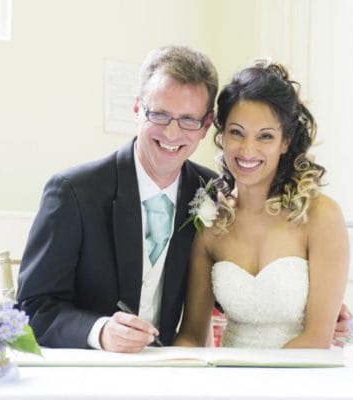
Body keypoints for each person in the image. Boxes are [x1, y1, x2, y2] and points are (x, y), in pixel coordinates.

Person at [16, 45, 218, 352]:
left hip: (171, 367)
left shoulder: (212, 192)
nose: (172, 133)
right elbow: (33, 309)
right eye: (160, 115)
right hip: (90, 369)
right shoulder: (73, 192)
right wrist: (99, 332)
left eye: (189, 119)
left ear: (206, 125)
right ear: (137, 109)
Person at [174, 60, 350, 348]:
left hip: (302, 371)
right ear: (221, 134)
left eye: (265, 136)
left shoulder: (321, 216)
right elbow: (192, 335)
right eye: (236, 132)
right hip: (230, 372)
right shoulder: (210, 221)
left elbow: (317, 338)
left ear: (285, 142)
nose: (248, 150)